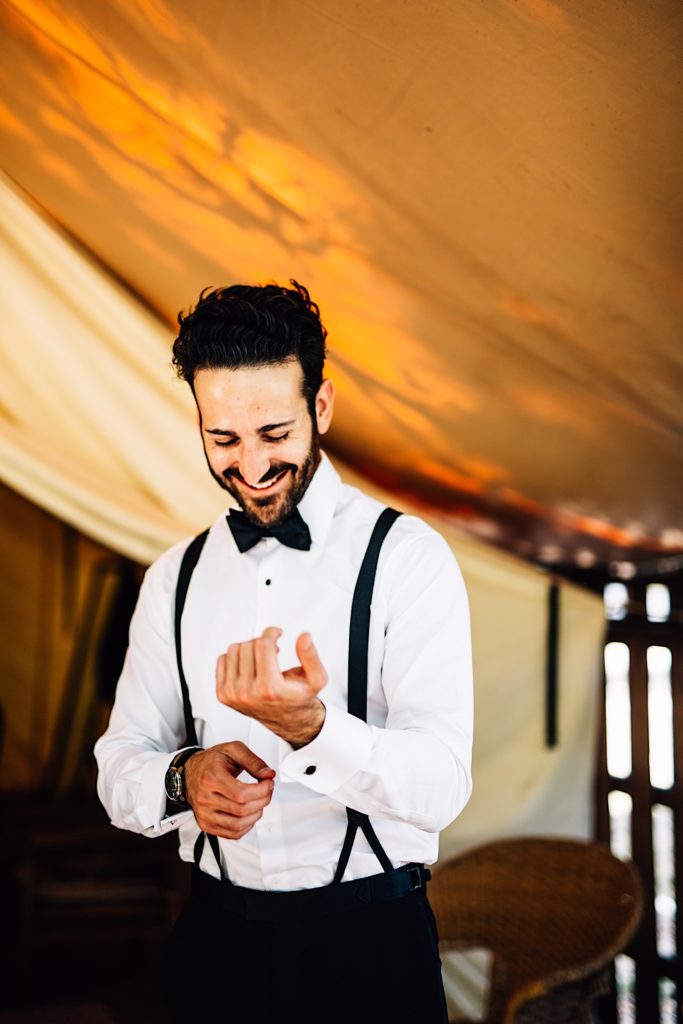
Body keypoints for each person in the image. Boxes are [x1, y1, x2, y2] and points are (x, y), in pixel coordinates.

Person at [94, 280, 473, 1024]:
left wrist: (313, 730)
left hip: (370, 947)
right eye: (223, 441)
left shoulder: (407, 559)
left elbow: (441, 789)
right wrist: (184, 777)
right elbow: (118, 768)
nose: (253, 468)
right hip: (214, 945)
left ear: (320, 407)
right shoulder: (173, 577)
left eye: (273, 434)